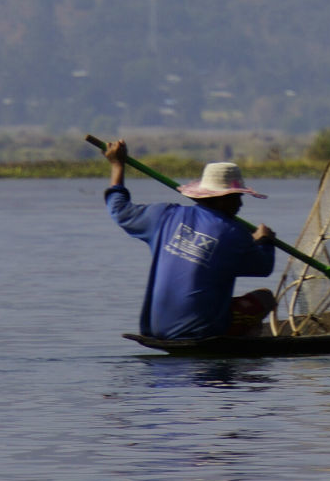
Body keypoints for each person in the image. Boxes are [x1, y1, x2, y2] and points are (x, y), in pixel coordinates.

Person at [102, 139, 277, 340]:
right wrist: (265, 241)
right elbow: (264, 267)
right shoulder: (234, 233)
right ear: (222, 199)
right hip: (204, 333)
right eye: (236, 197)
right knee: (265, 298)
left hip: (159, 330)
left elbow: (118, 209)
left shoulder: (164, 216)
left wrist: (116, 165)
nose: (240, 205)